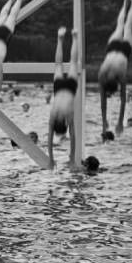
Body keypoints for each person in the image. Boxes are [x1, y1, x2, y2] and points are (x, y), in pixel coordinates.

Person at [98, 0, 132, 137]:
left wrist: (114, 122)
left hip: (124, 51)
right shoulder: (103, 75)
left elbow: (118, 102)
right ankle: (127, 1)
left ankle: (131, 3)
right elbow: (120, 101)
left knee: (126, 26)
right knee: (122, 25)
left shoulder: (120, 76)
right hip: (112, 48)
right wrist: (118, 122)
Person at [48, 27, 80, 169]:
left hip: (70, 88)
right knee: (59, 65)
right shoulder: (53, 116)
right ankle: (60, 39)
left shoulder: (68, 115)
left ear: (65, 125)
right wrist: (51, 158)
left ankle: (74, 37)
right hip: (59, 87)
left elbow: (73, 137)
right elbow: (49, 139)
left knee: (73, 63)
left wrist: (71, 158)